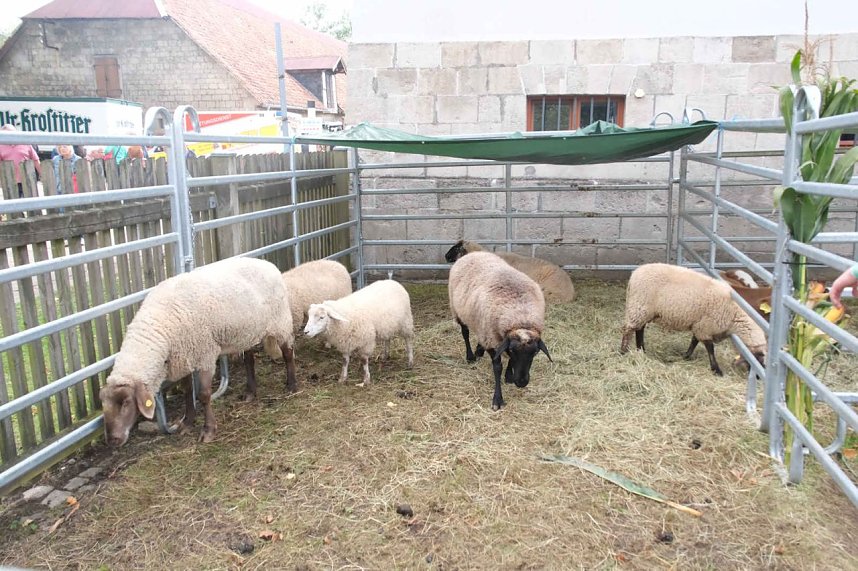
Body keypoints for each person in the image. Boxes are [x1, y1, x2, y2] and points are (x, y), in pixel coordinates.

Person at [0, 124, 42, 197]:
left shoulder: (25, 143)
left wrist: (42, 174)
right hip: (10, 182)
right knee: (14, 205)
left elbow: (36, 160)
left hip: (28, 180)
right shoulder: (0, 147)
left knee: (31, 203)